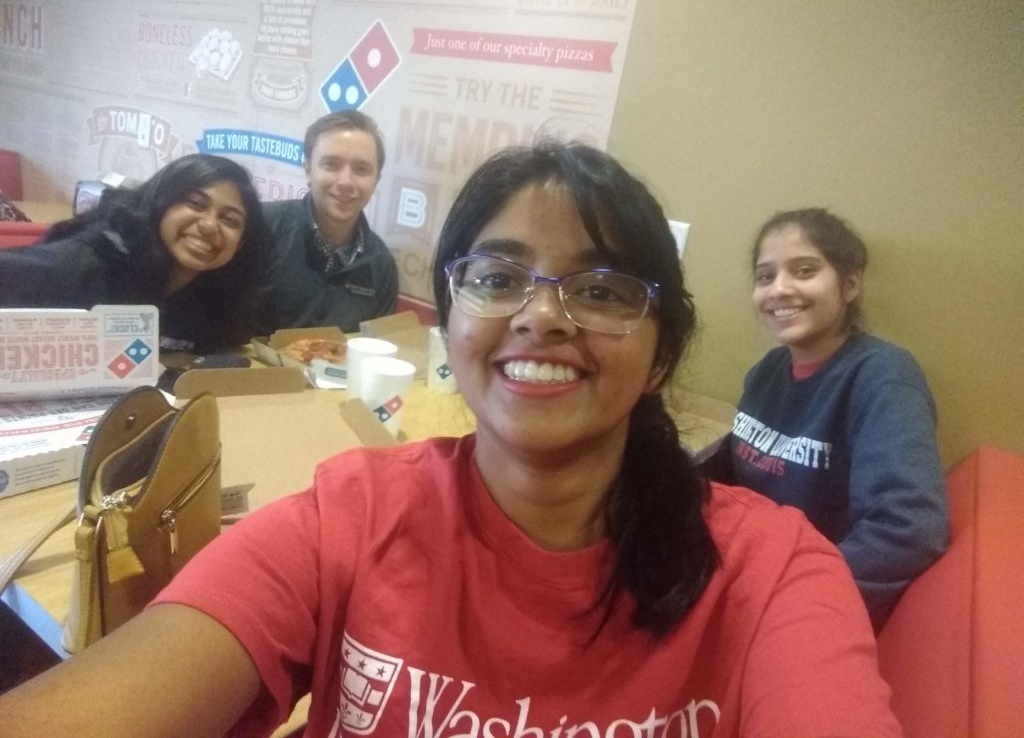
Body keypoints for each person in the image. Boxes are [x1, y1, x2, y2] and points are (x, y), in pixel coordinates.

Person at [0, 145, 901, 737]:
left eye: (600, 290)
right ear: (453, 323)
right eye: (498, 277)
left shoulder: (778, 573)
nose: (542, 317)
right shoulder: (344, 517)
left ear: (662, 355)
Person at [704, 207, 949, 628]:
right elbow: (737, 466)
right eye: (765, 277)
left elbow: (908, 528)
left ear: (850, 284)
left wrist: (784, 595)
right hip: (744, 564)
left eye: (803, 270)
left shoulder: (883, 378)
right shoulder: (767, 370)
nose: (779, 289)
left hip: (803, 604)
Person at [0, 154, 270, 352]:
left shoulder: (218, 296)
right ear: (160, 202)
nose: (210, 226)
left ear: (242, 243)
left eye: (230, 220)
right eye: (195, 203)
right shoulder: (88, 264)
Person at [257, 110, 398, 333]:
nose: (346, 181)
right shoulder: (261, 229)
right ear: (308, 170)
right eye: (331, 165)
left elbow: (375, 352)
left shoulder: (381, 265)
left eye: (361, 169)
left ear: (376, 180)